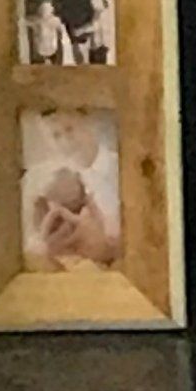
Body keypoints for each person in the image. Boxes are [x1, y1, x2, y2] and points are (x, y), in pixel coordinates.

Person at [21, 110, 120, 272]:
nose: (66, 142)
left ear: (88, 123)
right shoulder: (40, 181)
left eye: (70, 129)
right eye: (56, 136)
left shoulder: (123, 168)